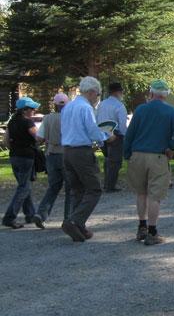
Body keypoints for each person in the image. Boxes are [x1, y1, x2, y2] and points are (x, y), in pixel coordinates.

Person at [123, 79, 174, 245]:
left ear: (151, 93)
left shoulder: (140, 110)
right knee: (154, 195)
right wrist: (172, 146)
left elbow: (130, 133)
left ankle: (141, 227)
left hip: (137, 155)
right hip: (158, 156)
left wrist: (127, 153)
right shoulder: (170, 111)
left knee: (141, 193)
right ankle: (152, 232)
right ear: (166, 95)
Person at [60, 77, 114, 242]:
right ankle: (74, 220)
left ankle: (79, 227)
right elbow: (93, 131)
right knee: (94, 189)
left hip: (67, 151)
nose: (97, 98)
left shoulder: (68, 106)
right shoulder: (85, 108)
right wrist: (107, 136)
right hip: (81, 152)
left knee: (77, 190)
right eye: (97, 95)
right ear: (91, 92)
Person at [31, 93, 71, 229]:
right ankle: (68, 219)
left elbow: (39, 138)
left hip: (51, 155)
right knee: (70, 188)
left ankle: (41, 214)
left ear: (54, 104)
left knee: (53, 187)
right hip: (66, 155)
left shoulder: (47, 118)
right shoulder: (70, 118)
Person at [2, 96, 41, 229]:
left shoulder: (11, 122)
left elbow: (5, 141)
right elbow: (38, 137)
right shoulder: (28, 122)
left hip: (14, 156)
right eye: (32, 109)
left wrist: (14, 147)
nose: (34, 111)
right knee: (23, 187)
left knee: (24, 185)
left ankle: (30, 214)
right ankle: (9, 217)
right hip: (26, 156)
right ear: (25, 110)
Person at [96, 82, 128, 192]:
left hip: (102, 133)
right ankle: (110, 185)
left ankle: (107, 183)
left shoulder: (102, 104)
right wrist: (124, 136)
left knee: (107, 159)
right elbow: (122, 124)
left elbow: (97, 118)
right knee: (115, 161)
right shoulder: (119, 105)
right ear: (119, 92)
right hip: (116, 134)